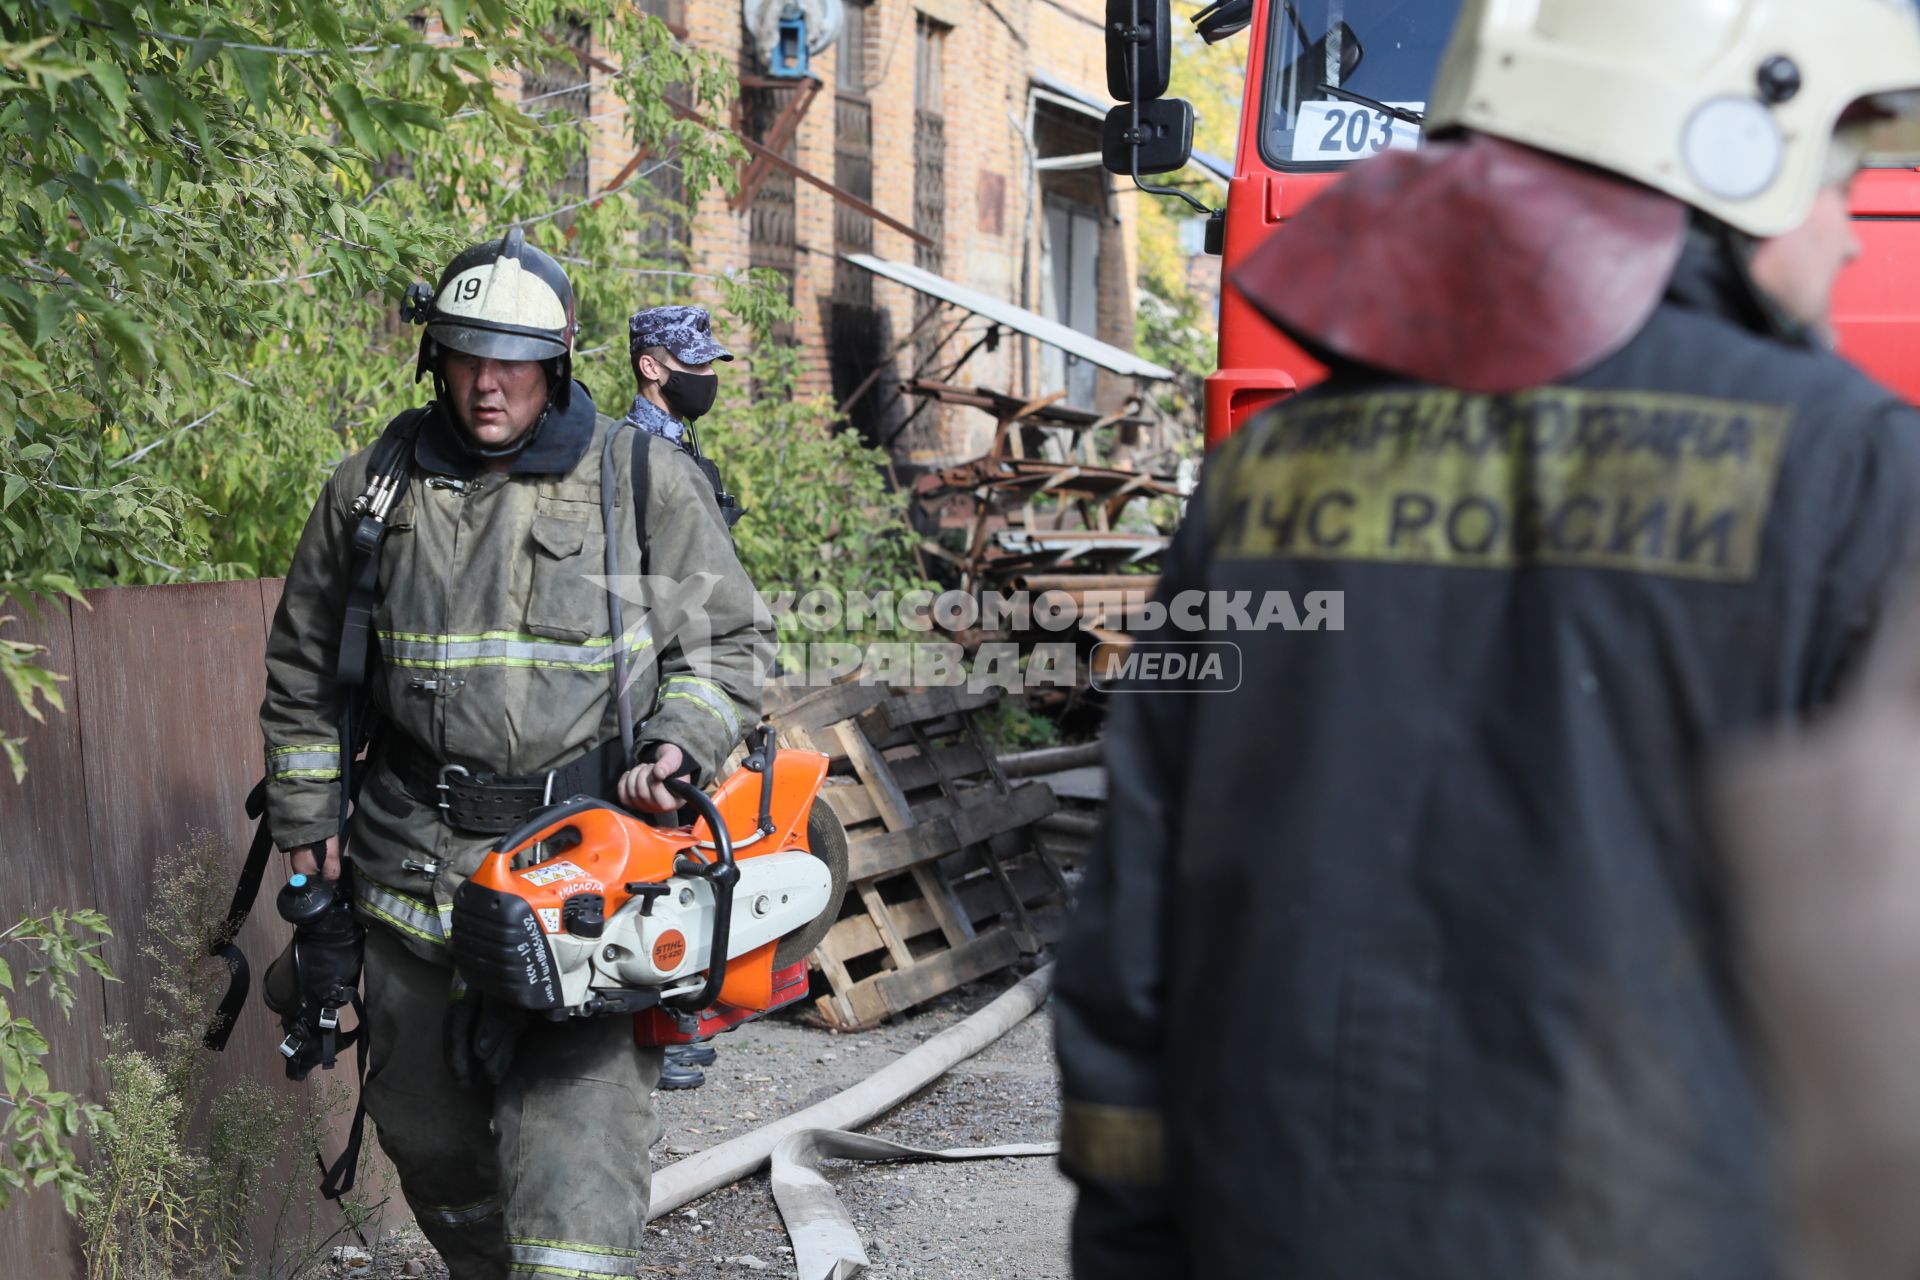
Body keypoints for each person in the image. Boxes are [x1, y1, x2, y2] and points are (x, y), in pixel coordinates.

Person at [1055, 2, 1920, 1277]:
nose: (1855, 232)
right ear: (1726, 158)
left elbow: (1132, 932)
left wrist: (1135, 1244)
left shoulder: (1262, 480)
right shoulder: (1850, 468)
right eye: (1836, 179)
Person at [260, 228, 773, 1279]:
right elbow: (306, 668)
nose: (488, 383)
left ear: (556, 364)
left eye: (513, 361)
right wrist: (309, 829)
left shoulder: (639, 483)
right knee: (435, 1157)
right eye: (467, 355)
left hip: (582, 889)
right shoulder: (372, 491)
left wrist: (680, 741)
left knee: (570, 1228)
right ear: (435, 357)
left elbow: (726, 643)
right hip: (409, 886)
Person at [623, 302, 739, 1089]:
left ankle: (674, 1011)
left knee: (685, 851)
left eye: (709, 364)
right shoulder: (627, 456)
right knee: (647, 857)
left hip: (692, 665)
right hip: (651, 673)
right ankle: (656, 1021)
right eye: (691, 364)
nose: (706, 378)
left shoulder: (681, 448)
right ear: (650, 366)